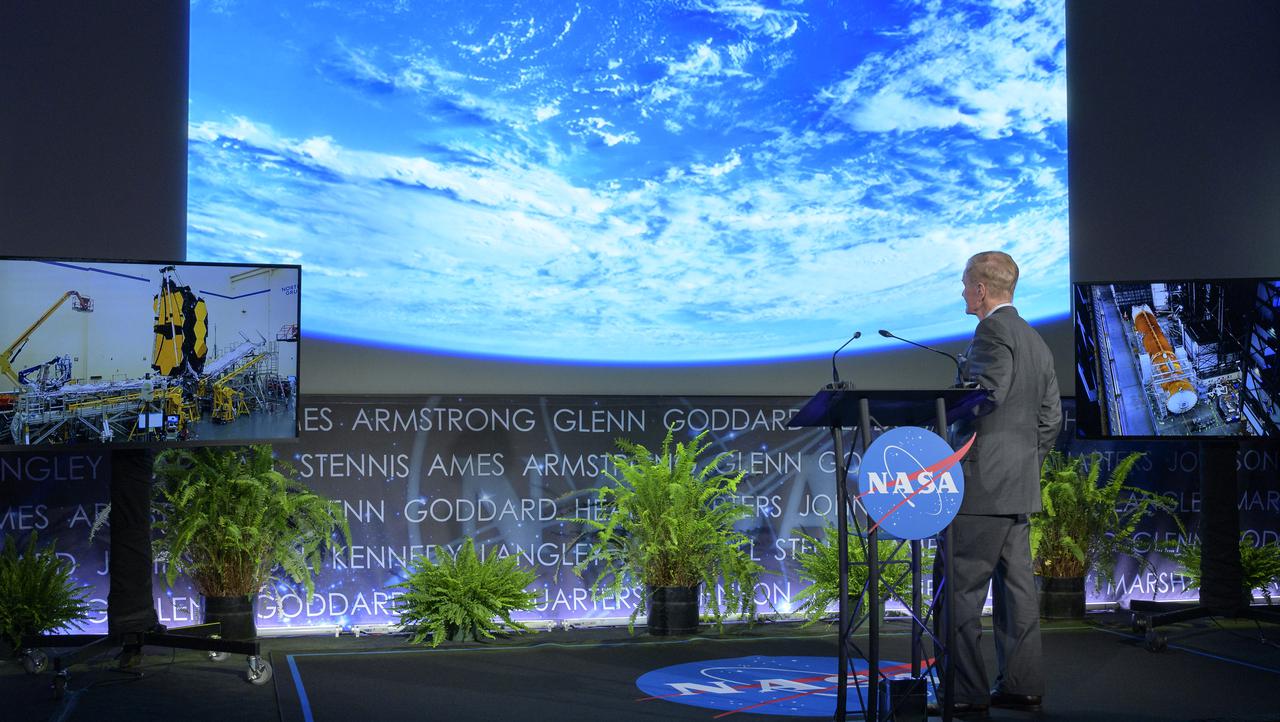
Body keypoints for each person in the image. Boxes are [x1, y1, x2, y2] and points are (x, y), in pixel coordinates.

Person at [931, 251, 1062, 719]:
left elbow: (986, 394)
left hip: (980, 486)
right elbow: (1052, 418)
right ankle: (1022, 688)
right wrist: (1025, 462)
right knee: (1017, 595)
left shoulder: (991, 331)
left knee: (960, 592)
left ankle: (965, 692)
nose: (963, 293)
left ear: (981, 290)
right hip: (1018, 487)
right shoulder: (1035, 339)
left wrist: (945, 418)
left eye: (966, 285)